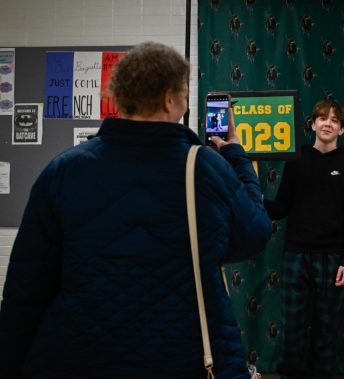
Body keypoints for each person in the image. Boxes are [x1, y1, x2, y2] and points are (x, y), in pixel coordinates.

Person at [0, 41, 271, 379]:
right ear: (170, 100)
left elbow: (26, 290)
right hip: (184, 356)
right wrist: (235, 154)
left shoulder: (65, 170)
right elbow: (255, 234)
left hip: (79, 357)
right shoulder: (204, 168)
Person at [265, 99, 344, 379]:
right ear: (312, 124)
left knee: (327, 328)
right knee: (293, 326)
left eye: (334, 120)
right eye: (322, 118)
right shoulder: (295, 160)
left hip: (333, 259)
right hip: (296, 255)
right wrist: (256, 201)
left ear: (342, 130)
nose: (328, 123)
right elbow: (282, 206)